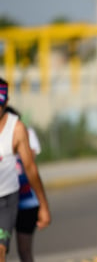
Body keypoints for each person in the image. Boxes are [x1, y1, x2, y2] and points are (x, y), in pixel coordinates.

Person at [0, 78, 51, 262]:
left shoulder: (18, 130)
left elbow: (30, 167)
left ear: (5, 103)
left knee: (21, 251)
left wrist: (43, 205)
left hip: (14, 199)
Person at [6, 106, 43, 262]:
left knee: (24, 250)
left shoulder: (26, 133)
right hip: (5, 203)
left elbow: (30, 164)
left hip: (26, 201)